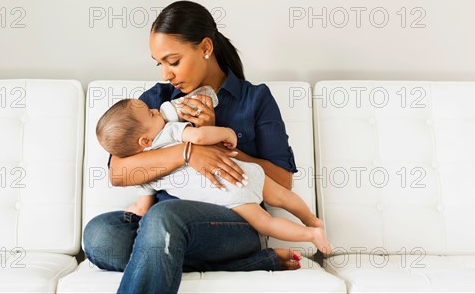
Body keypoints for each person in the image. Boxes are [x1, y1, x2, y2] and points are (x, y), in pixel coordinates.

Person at [83, 0, 303, 294]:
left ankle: (214, 251)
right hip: (161, 223)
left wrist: (218, 144)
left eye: (173, 61)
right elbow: (119, 172)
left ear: (205, 48)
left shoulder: (255, 99)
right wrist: (188, 152)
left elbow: (283, 181)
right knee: (101, 235)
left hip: (234, 223)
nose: (165, 74)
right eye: (159, 63)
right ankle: (248, 263)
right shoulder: (158, 100)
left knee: (164, 218)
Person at [95, 97, 331, 252]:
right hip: (241, 170)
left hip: (228, 193)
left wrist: (131, 212)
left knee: (266, 223)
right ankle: (312, 219)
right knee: (281, 197)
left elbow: (142, 209)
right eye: (152, 113)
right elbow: (199, 137)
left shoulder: (147, 170)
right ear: (144, 140)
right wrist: (227, 133)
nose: (157, 109)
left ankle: (310, 234)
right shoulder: (170, 131)